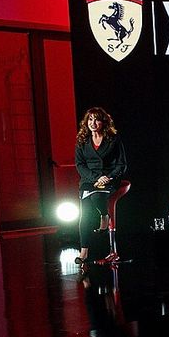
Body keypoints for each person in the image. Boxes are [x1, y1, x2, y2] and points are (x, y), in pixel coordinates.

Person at [74, 107, 127, 267]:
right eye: (90, 120)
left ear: (103, 122)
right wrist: (95, 178)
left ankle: (104, 216)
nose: (93, 123)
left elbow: (121, 164)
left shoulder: (113, 139)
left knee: (97, 196)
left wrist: (107, 177)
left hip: (109, 178)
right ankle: (84, 252)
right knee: (85, 214)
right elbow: (80, 164)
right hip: (89, 179)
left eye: (96, 119)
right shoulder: (82, 140)